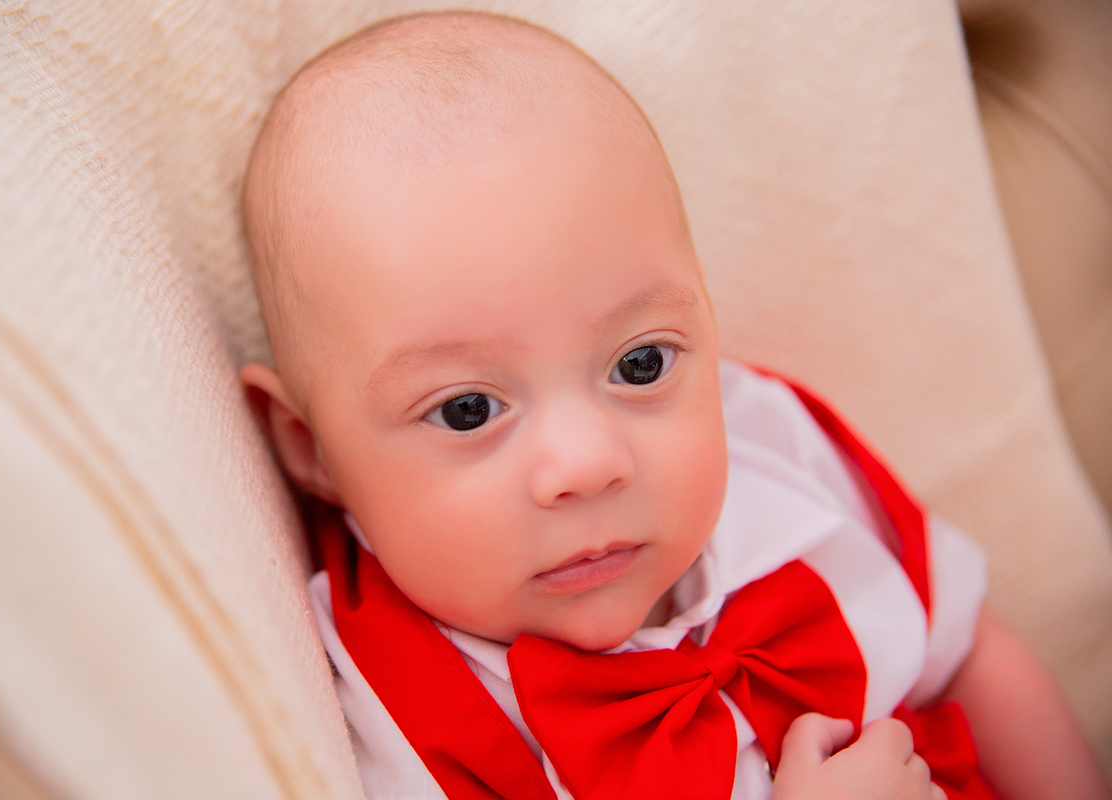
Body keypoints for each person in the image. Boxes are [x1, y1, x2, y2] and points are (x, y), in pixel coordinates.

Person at [237, 10, 1109, 800]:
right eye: (468, 411)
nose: (588, 462)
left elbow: (972, 654)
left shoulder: (775, 454)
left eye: (641, 362)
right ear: (311, 448)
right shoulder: (396, 710)